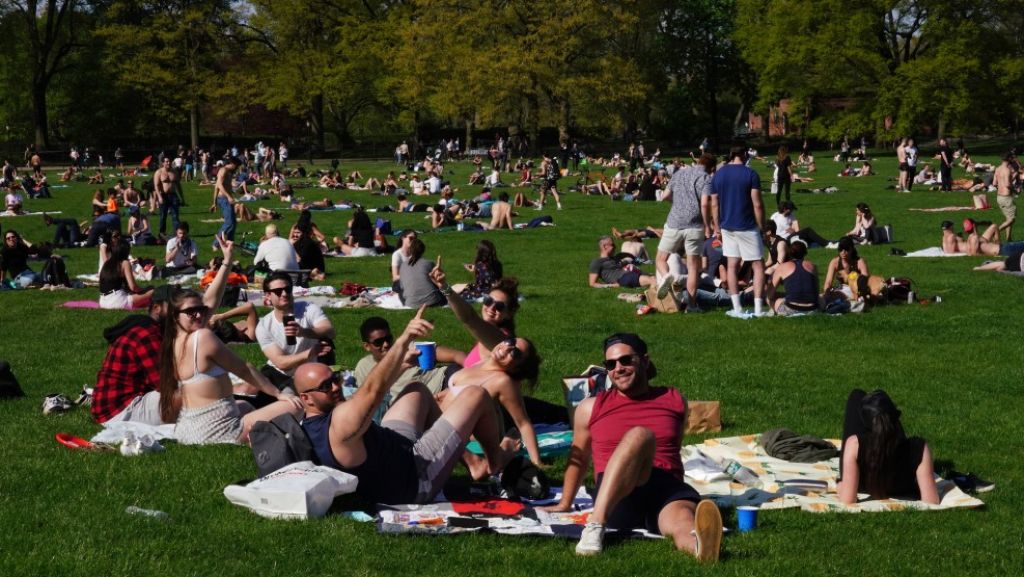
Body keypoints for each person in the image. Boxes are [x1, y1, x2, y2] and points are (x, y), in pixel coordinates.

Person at [297, 314, 518, 505]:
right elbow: (373, 391)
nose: (336, 387)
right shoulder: (340, 424)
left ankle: (472, 463)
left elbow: (367, 393)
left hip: (393, 448)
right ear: (306, 398)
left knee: (416, 390)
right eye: (325, 386)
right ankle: (494, 461)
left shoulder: (313, 422)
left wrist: (402, 365)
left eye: (334, 378)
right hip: (414, 476)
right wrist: (404, 339)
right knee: (475, 394)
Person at [542, 333, 722, 560]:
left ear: (645, 361)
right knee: (640, 435)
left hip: (665, 488)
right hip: (616, 495)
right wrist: (564, 503)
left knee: (682, 521)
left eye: (626, 360)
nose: (618, 368)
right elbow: (579, 456)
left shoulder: (674, 399)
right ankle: (595, 525)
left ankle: (699, 548)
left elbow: (672, 450)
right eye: (611, 364)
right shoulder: (591, 407)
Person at [92, 250, 238, 425]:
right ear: (156, 308)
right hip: (119, 411)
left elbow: (207, 306)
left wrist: (227, 262)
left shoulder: (164, 328)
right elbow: (167, 386)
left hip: (137, 399)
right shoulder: (146, 335)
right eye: (173, 305)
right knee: (201, 392)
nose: (180, 310)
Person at [429, 265, 545, 467]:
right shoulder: (494, 350)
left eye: (499, 306)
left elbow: (468, 318)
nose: (491, 307)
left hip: (468, 424)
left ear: (509, 313)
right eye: (488, 301)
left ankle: (496, 455)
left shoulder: (498, 340)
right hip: (448, 407)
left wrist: (445, 288)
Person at [158, 289, 304, 445]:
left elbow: (213, 296)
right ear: (175, 316)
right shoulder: (202, 337)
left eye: (201, 310)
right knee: (295, 406)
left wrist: (226, 266)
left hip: (188, 429)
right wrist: (278, 394)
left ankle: (261, 436)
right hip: (217, 432)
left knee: (245, 405)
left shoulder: (173, 343)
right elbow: (243, 369)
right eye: (191, 312)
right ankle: (259, 439)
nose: (199, 315)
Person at [838, 389, 939, 505]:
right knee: (882, 407)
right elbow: (932, 501)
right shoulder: (919, 447)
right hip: (900, 487)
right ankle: (885, 417)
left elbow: (848, 500)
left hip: (862, 485)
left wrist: (841, 486)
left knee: (857, 395)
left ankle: (879, 420)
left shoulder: (855, 444)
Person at [710, 145, 767, 317]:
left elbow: (714, 203)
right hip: (747, 225)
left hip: (727, 226)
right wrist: (762, 226)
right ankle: (757, 308)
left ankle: (737, 308)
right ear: (744, 155)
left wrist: (716, 226)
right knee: (758, 265)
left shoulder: (718, 174)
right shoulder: (751, 174)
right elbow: (757, 204)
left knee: (732, 266)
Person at [256, 271, 336, 391]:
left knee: (291, 397)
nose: (284, 294)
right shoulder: (264, 325)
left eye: (287, 289)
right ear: (268, 296)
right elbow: (281, 363)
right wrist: (310, 352)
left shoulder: (308, 309)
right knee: (251, 390)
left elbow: (330, 331)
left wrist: (303, 332)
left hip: (308, 371)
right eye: (278, 291)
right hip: (278, 373)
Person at [655, 153, 715, 310]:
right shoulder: (706, 178)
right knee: (693, 266)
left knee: (661, 258)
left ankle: (666, 276)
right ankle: (692, 305)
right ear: (711, 168)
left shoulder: (679, 173)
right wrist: (708, 225)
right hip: (695, 226)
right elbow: (704, 204)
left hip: (674, 222)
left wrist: (679, 204)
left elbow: (665, 196)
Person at [353, 316, 447, 400]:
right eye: (378, 342)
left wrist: (463, 362)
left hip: (442, 380)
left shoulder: (407, 347)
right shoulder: (363, 367)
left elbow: (454, 355)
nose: (385, 344)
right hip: (421, 403)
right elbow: (364, 399)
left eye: (388, 339)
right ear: (367, 346)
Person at [766, 238, 820, 315]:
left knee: (776, 300)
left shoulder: (781, 267)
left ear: (789, 253)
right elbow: (816, 291)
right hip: (812, 308)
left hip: (791, 308)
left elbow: (770, 294)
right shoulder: (812, 266)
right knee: (821, 298)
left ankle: (774, 311)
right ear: (804, 253)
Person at [98, 244, 153, 310]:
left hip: (103, 302)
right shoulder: (125, 263)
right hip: (117, 302)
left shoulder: (107, 263)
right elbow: (133, 287)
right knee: (152, 291)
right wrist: (144, 291)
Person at [589, 236, 657, 289]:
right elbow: (592, 283)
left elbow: (633, 259)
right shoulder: (597, 262)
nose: (615, 247)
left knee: (654, 278)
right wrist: (612, 285)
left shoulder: (614, 258)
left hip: (629, 274)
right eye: (612, 245)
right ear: (605, 246)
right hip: (623, 278)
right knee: (652, 281)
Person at [398, 238, 446, 308]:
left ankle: (406, 302)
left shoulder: (403, 265)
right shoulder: (429, 263)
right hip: (433, 301)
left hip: (411, 303)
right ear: (423, 250)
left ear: (410, 250)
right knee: (441, 288)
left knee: (398, 287)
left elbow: (402, 287)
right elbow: (439, 282)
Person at [211, 157, 239, 250]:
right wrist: (228, 196)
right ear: (232, 163)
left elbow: (216, 186)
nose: (236, 168)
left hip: (226, 198)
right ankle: (215, 244)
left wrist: (214, 203)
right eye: (236, 166)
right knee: (229, 222)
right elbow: (219, 185)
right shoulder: (223, 170)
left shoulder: (227, 172)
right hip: (224, 199)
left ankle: (230, 242)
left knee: (233, 223)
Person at [154, 157, 181, 236]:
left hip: (173, 195)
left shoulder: (174, 172)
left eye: (169, 161)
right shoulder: (159, 172)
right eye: (166, 161)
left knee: (175, 215)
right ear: (163, 163)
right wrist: (159, 197)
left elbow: (178, 185)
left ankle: (176, 233)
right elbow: (156, 186)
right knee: (163, 215)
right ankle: (162, 233)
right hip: (163, 195)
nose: (168, 163)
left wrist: (181, 197)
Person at [993, 153, 1016, 242]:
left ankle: (1008, 238)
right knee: (1012, 219)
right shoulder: (1007, 170)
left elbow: (994, 183)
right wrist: (1015, 190)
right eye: (1012, 158)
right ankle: (996, 231)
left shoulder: (997, 169)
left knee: (1008, 218)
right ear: (1009, 159)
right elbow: (1007, 184)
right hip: (1006, 197)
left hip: (999, 197)